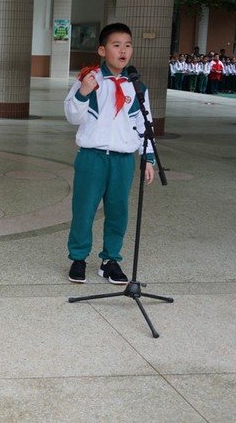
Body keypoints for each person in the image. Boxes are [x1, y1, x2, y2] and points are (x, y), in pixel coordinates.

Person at [63, 22, 155, 285]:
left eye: (127, 45)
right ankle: (78, 258)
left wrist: (147, 158)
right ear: (102, 50)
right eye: (116, 45)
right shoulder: (89, 80)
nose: (123, 50)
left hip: (123, 160)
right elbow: (72, 116)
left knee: (118, 211)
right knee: (84, 209)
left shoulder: (136, 87)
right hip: (92, 157)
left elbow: (143, 125)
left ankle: (110, 260)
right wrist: (83, 92)